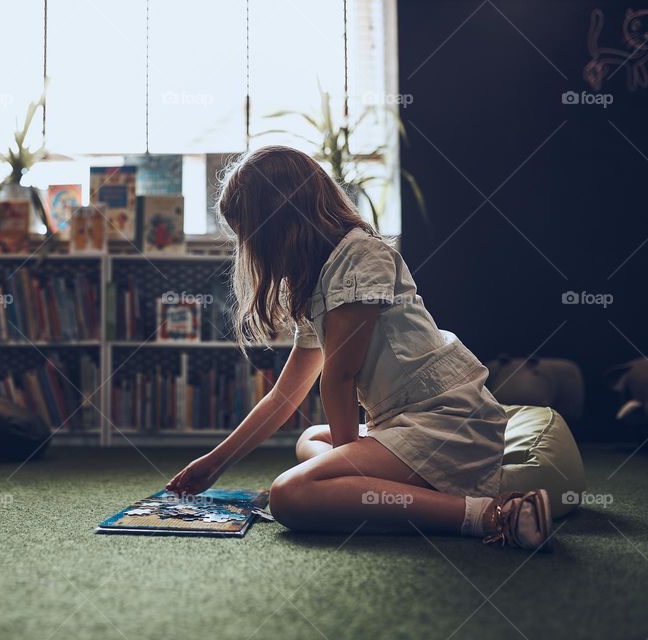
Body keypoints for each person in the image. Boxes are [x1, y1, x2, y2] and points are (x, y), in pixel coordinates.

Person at [167, 146, 552, 551]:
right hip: (403, 424)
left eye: (251, 237)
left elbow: (340, 377)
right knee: (311, 440)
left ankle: (488, 514)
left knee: (288, 495)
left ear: (279, 225)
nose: (253, 253)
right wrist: (214, 463)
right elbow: (285, 395)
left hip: (446, 423)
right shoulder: (316, 279)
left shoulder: (359, 255)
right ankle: (381, 497)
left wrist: (338, 475)